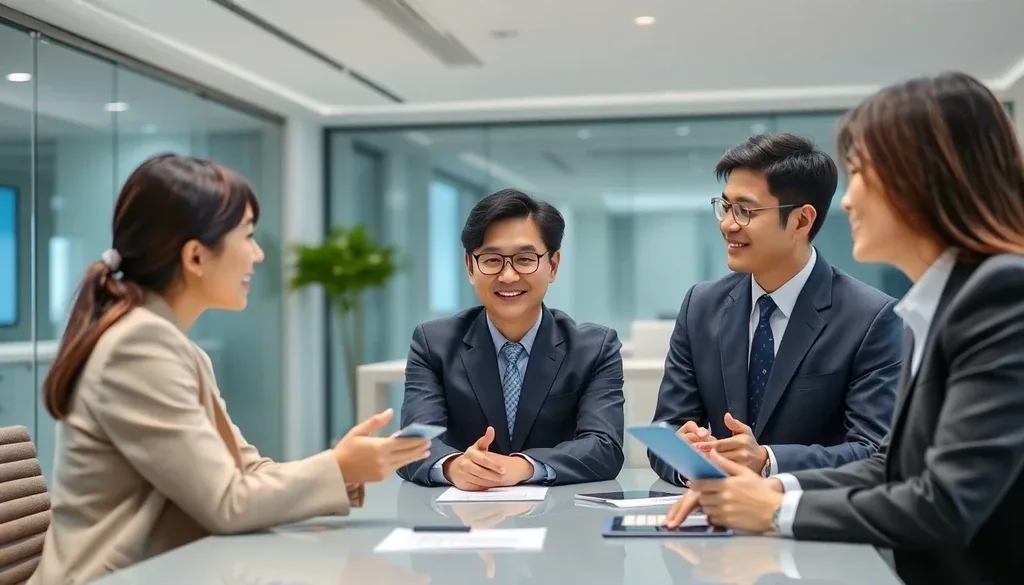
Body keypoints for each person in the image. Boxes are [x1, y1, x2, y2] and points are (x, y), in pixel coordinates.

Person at [664, 72, 1024, 585]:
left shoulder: (999, 295)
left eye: (861, 173)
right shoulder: (936, 305)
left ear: (925, 178)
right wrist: (772, 490)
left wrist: (770, 509)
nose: (849, 200)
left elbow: (944, 501)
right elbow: (896, 470)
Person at [30, 154, 430, 585]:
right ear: (196, 257)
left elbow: (246, 473)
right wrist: (340, 467)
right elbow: (227, 503)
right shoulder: (140, 345)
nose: (258, 255)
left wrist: (344, 465)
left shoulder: (170, 344)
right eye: (248, 236)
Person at [649, 132, 903, 484]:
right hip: (712, 521)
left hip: (813, 522)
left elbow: (874, 450)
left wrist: (768, 461)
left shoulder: (871, 318)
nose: (727, 224)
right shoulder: (700, 307)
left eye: (745, 210)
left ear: (801, 221)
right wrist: (687, 455)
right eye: (725, 207)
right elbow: (666, 431)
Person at [397, 188, 625, 488]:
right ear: (470, 267)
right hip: (461, 520)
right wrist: (454, 466)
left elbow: (604, 448)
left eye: (524, 259)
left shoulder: (594, 348)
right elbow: (412, 444)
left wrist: (522, 467)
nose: (507, 276)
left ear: (552, 266)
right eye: (492, 260)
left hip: (560, 521)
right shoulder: (433, 344)